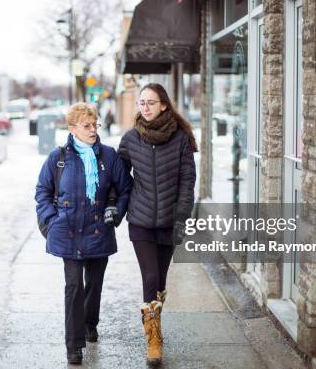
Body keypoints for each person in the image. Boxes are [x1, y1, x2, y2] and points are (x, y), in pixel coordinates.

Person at [35, 103, 132, 365]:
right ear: (72, 129)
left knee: (94, 284)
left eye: (95, 124)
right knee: (74, 286)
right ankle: (74, 345)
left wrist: (116, 211)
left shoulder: (109, 157)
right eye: (86, 125)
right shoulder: (58, 158)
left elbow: (125, 188)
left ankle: (90, 322)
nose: (92, 129)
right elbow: (42, 192)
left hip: (99, 230)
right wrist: (51, 220)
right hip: (68, 231)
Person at [118, 83, 197, 366]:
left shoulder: (180, 138)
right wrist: (119, 205)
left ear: (164, 104)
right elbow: (120, 178)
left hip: (168, 221)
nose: (145, 107)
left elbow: (188, 180)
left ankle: (155, 322)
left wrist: (182, 215)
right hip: (140, 221)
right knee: (150, 277)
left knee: (160, 280)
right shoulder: (130, 139)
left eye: (150, 102)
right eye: (141, 102)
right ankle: (153, 340)